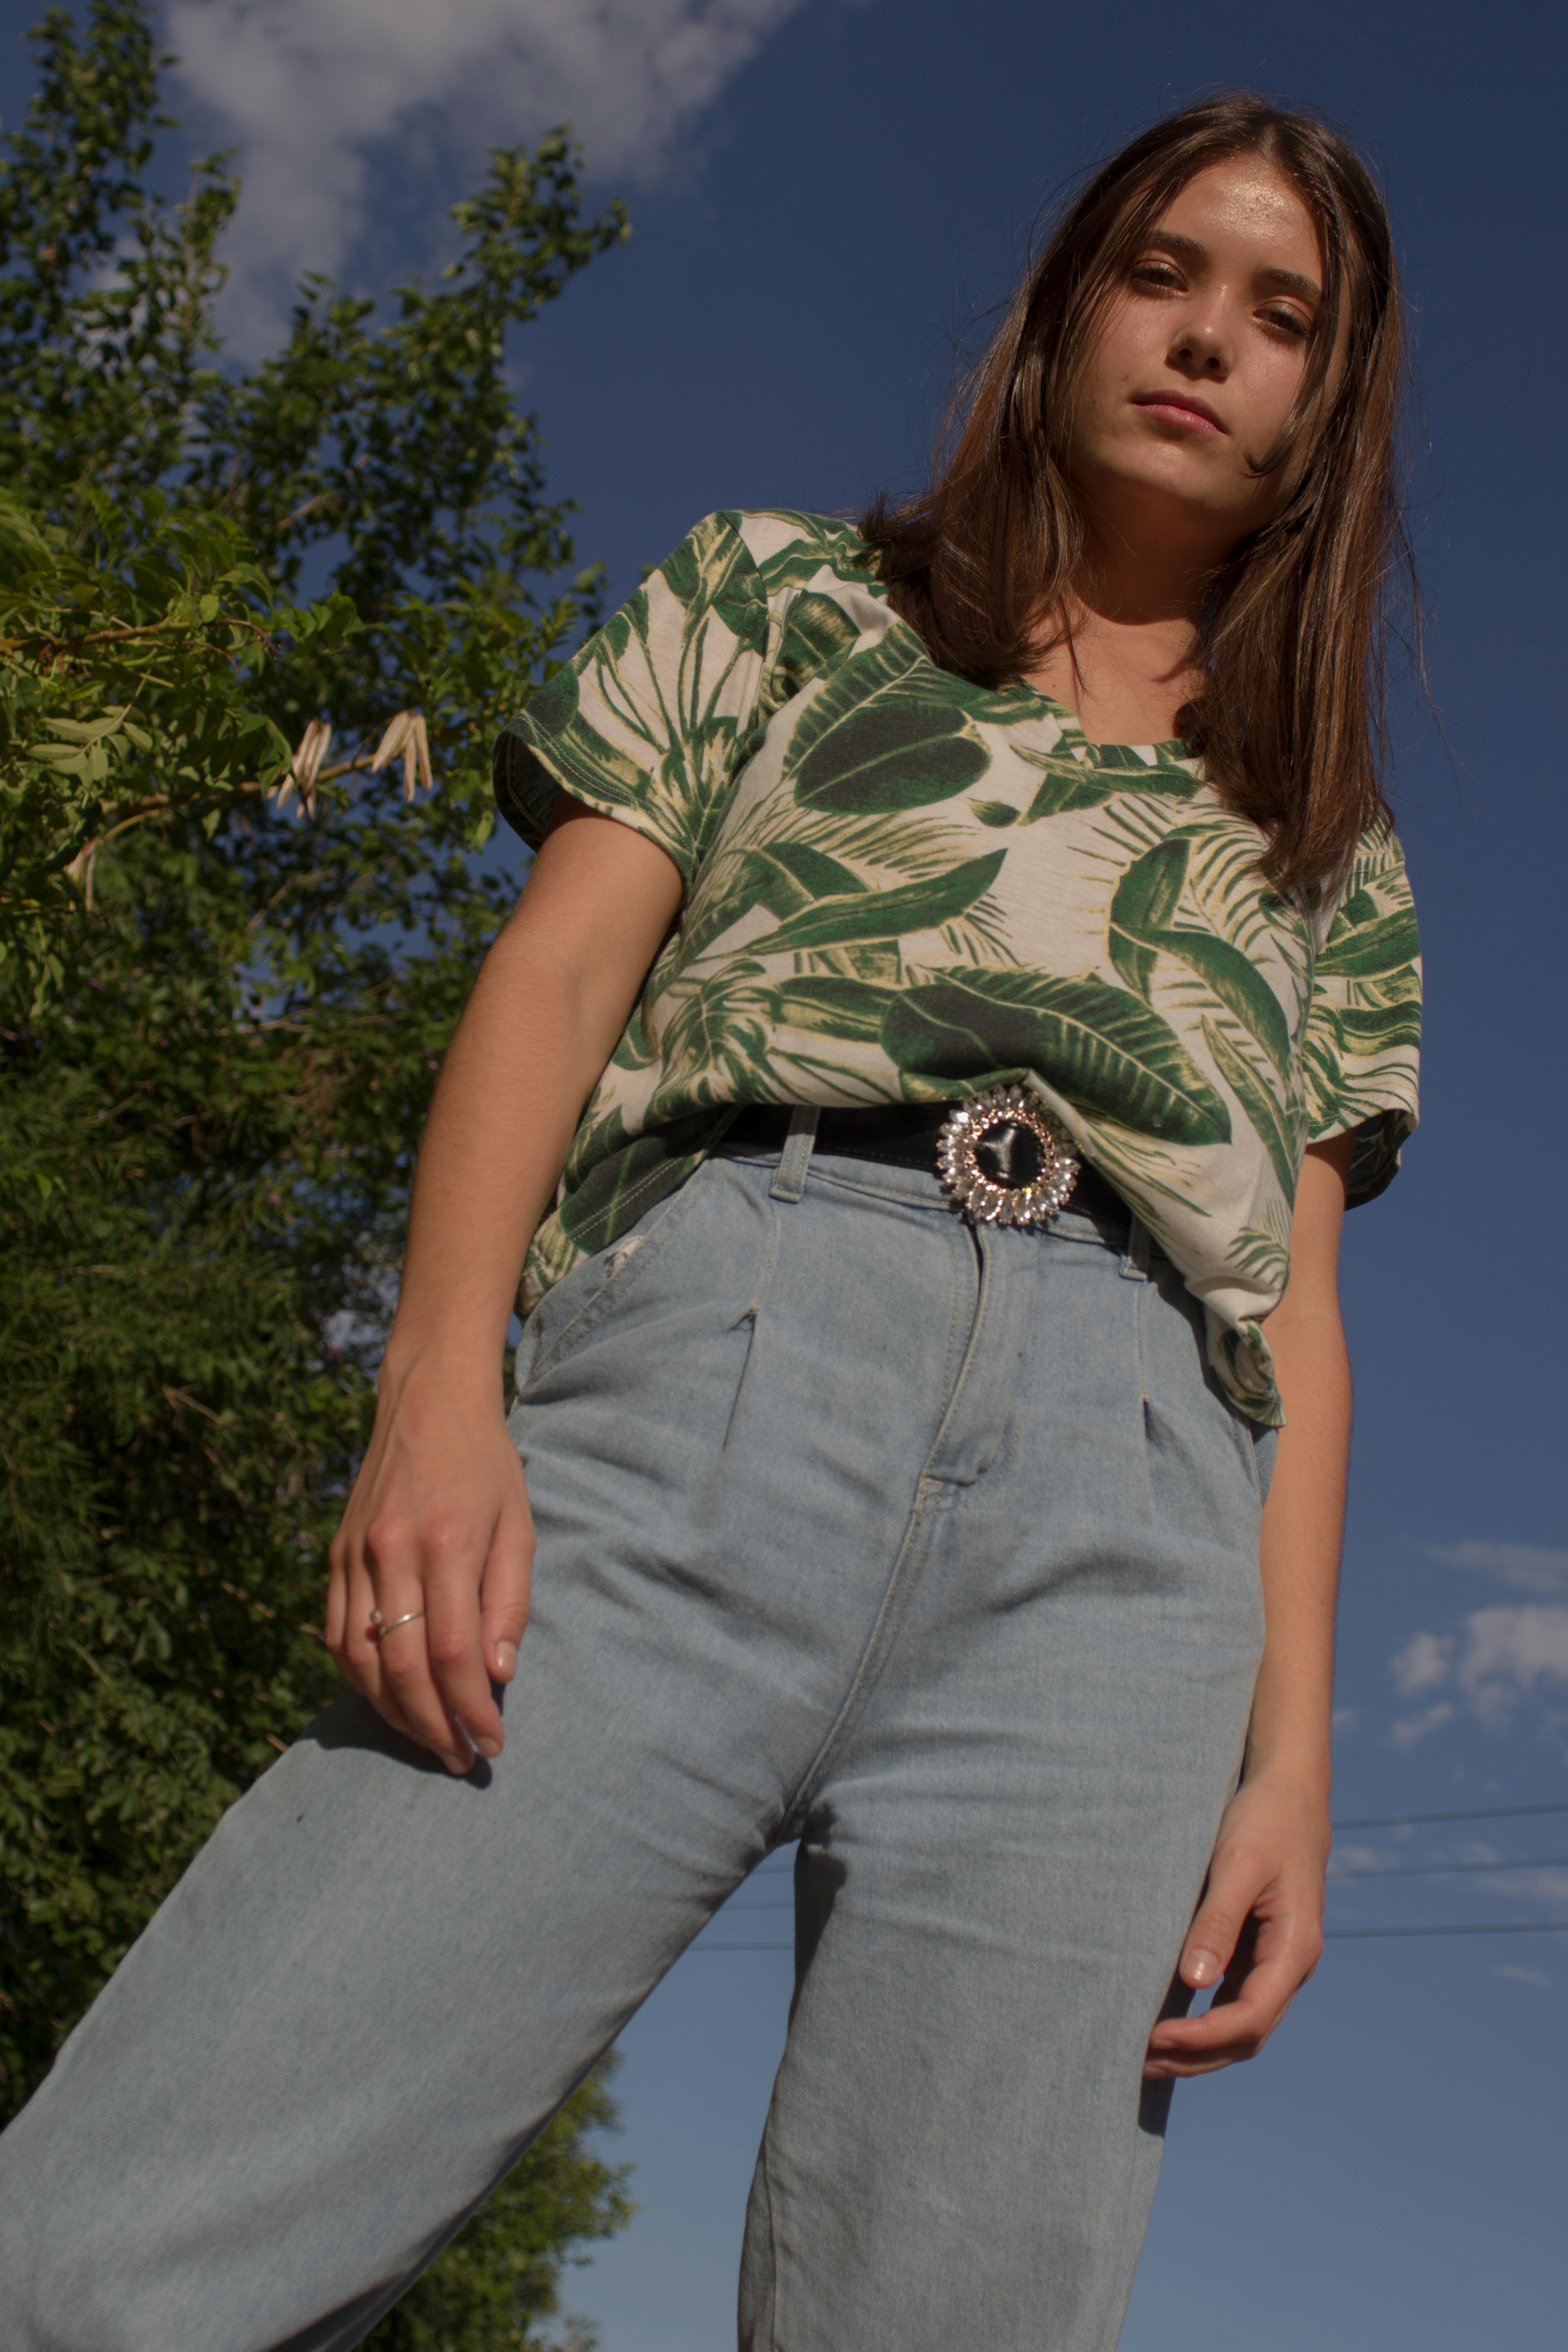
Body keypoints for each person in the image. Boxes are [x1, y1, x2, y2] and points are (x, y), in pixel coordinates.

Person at [0, 89, 1421, 2352]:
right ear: (1064, 314)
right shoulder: (781, 596)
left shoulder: (1326, 848)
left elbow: (1305, 1323)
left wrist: (1293, 1767)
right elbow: (556, 976)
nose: (1207, 341)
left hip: (1130, 1544)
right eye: (1161, 274)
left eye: (1282, 318)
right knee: (109, 2260)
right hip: (711, 1376)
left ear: (1327, 412)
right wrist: (433, 1391)